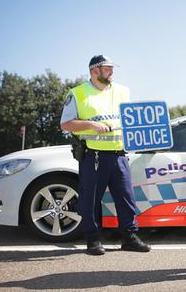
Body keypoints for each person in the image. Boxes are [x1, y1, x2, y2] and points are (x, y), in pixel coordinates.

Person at [60, 55, 151, 256]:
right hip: (94, 157)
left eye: (112, 68)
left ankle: (129, 237)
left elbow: (131, 122)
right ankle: (92, 240)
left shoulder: (122, 91)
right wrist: (91, 125)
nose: (112, 71)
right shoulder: (78, 93)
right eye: (107, 68)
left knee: (126, 198)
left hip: (119, 155)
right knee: (90, 201)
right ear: (94, 70)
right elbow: (66, 124)